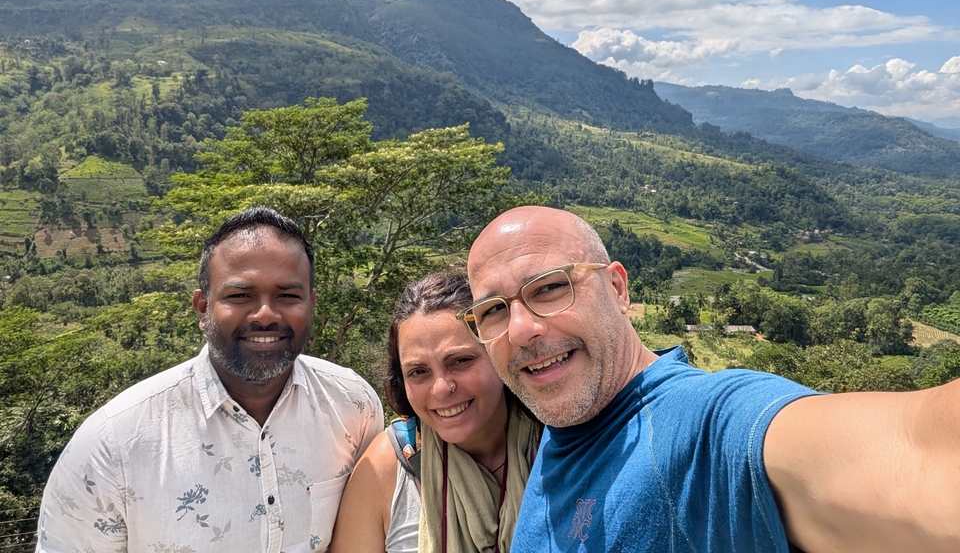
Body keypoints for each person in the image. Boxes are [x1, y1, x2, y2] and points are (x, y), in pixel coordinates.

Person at [464, 205, 960, 553]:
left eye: (550, 288)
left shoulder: (709, 423)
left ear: (617, 288)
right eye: (492, 311)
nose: (522, 329)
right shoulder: (561, 436)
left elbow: (917, 454)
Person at [35, 207, 383, 553]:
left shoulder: (354, 405)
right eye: (240, 296)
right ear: (203, 309)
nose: (265, 314)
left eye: (287, 296)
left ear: (311, 304)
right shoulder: (113, 445)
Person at [329, 271, 541, 553]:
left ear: (499, 353)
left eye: (461, 361)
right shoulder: (386, 468)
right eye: (418, 372)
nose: (441, 388)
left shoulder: (561, 444)